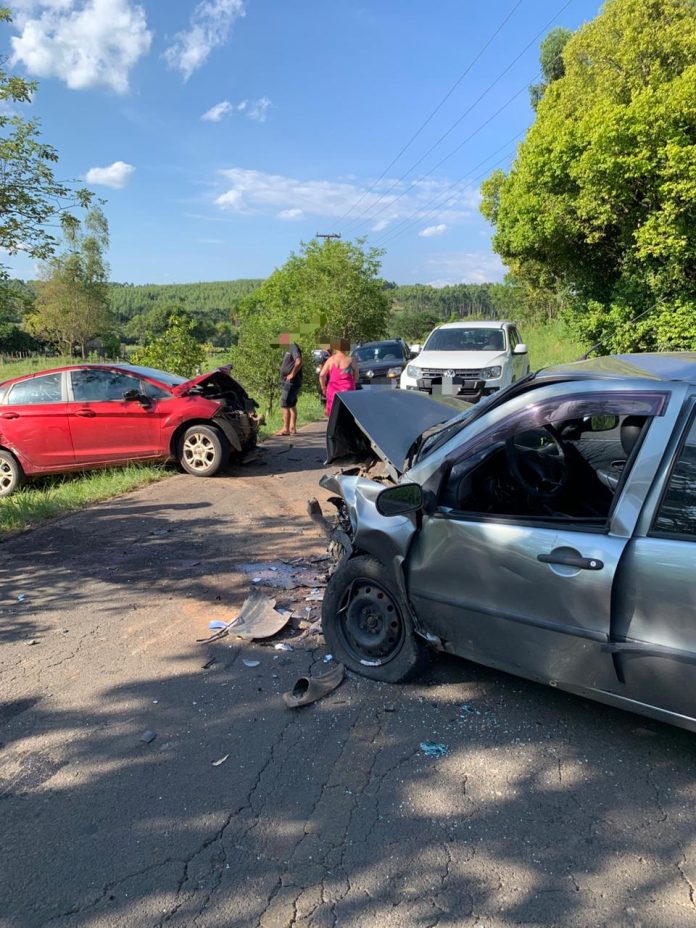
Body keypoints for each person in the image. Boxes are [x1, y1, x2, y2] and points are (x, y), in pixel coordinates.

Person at [320, 338, 358, 417]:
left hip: (333, 389)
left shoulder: (330, 360)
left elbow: (322, 375)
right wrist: (353, 383)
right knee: (348, 413)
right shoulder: (351, 360)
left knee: (333, 413)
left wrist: (323, 387)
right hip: (348, 389)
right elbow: (357, 376)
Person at [278, 342, 303, 435]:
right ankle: (292, 427)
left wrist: (292, 374)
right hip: (292, 381)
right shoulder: (291, 347)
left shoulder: (292, 345)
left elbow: (299, 361)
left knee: (284, 404)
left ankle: (285, 429)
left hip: (290, 381)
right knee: (291, 404)